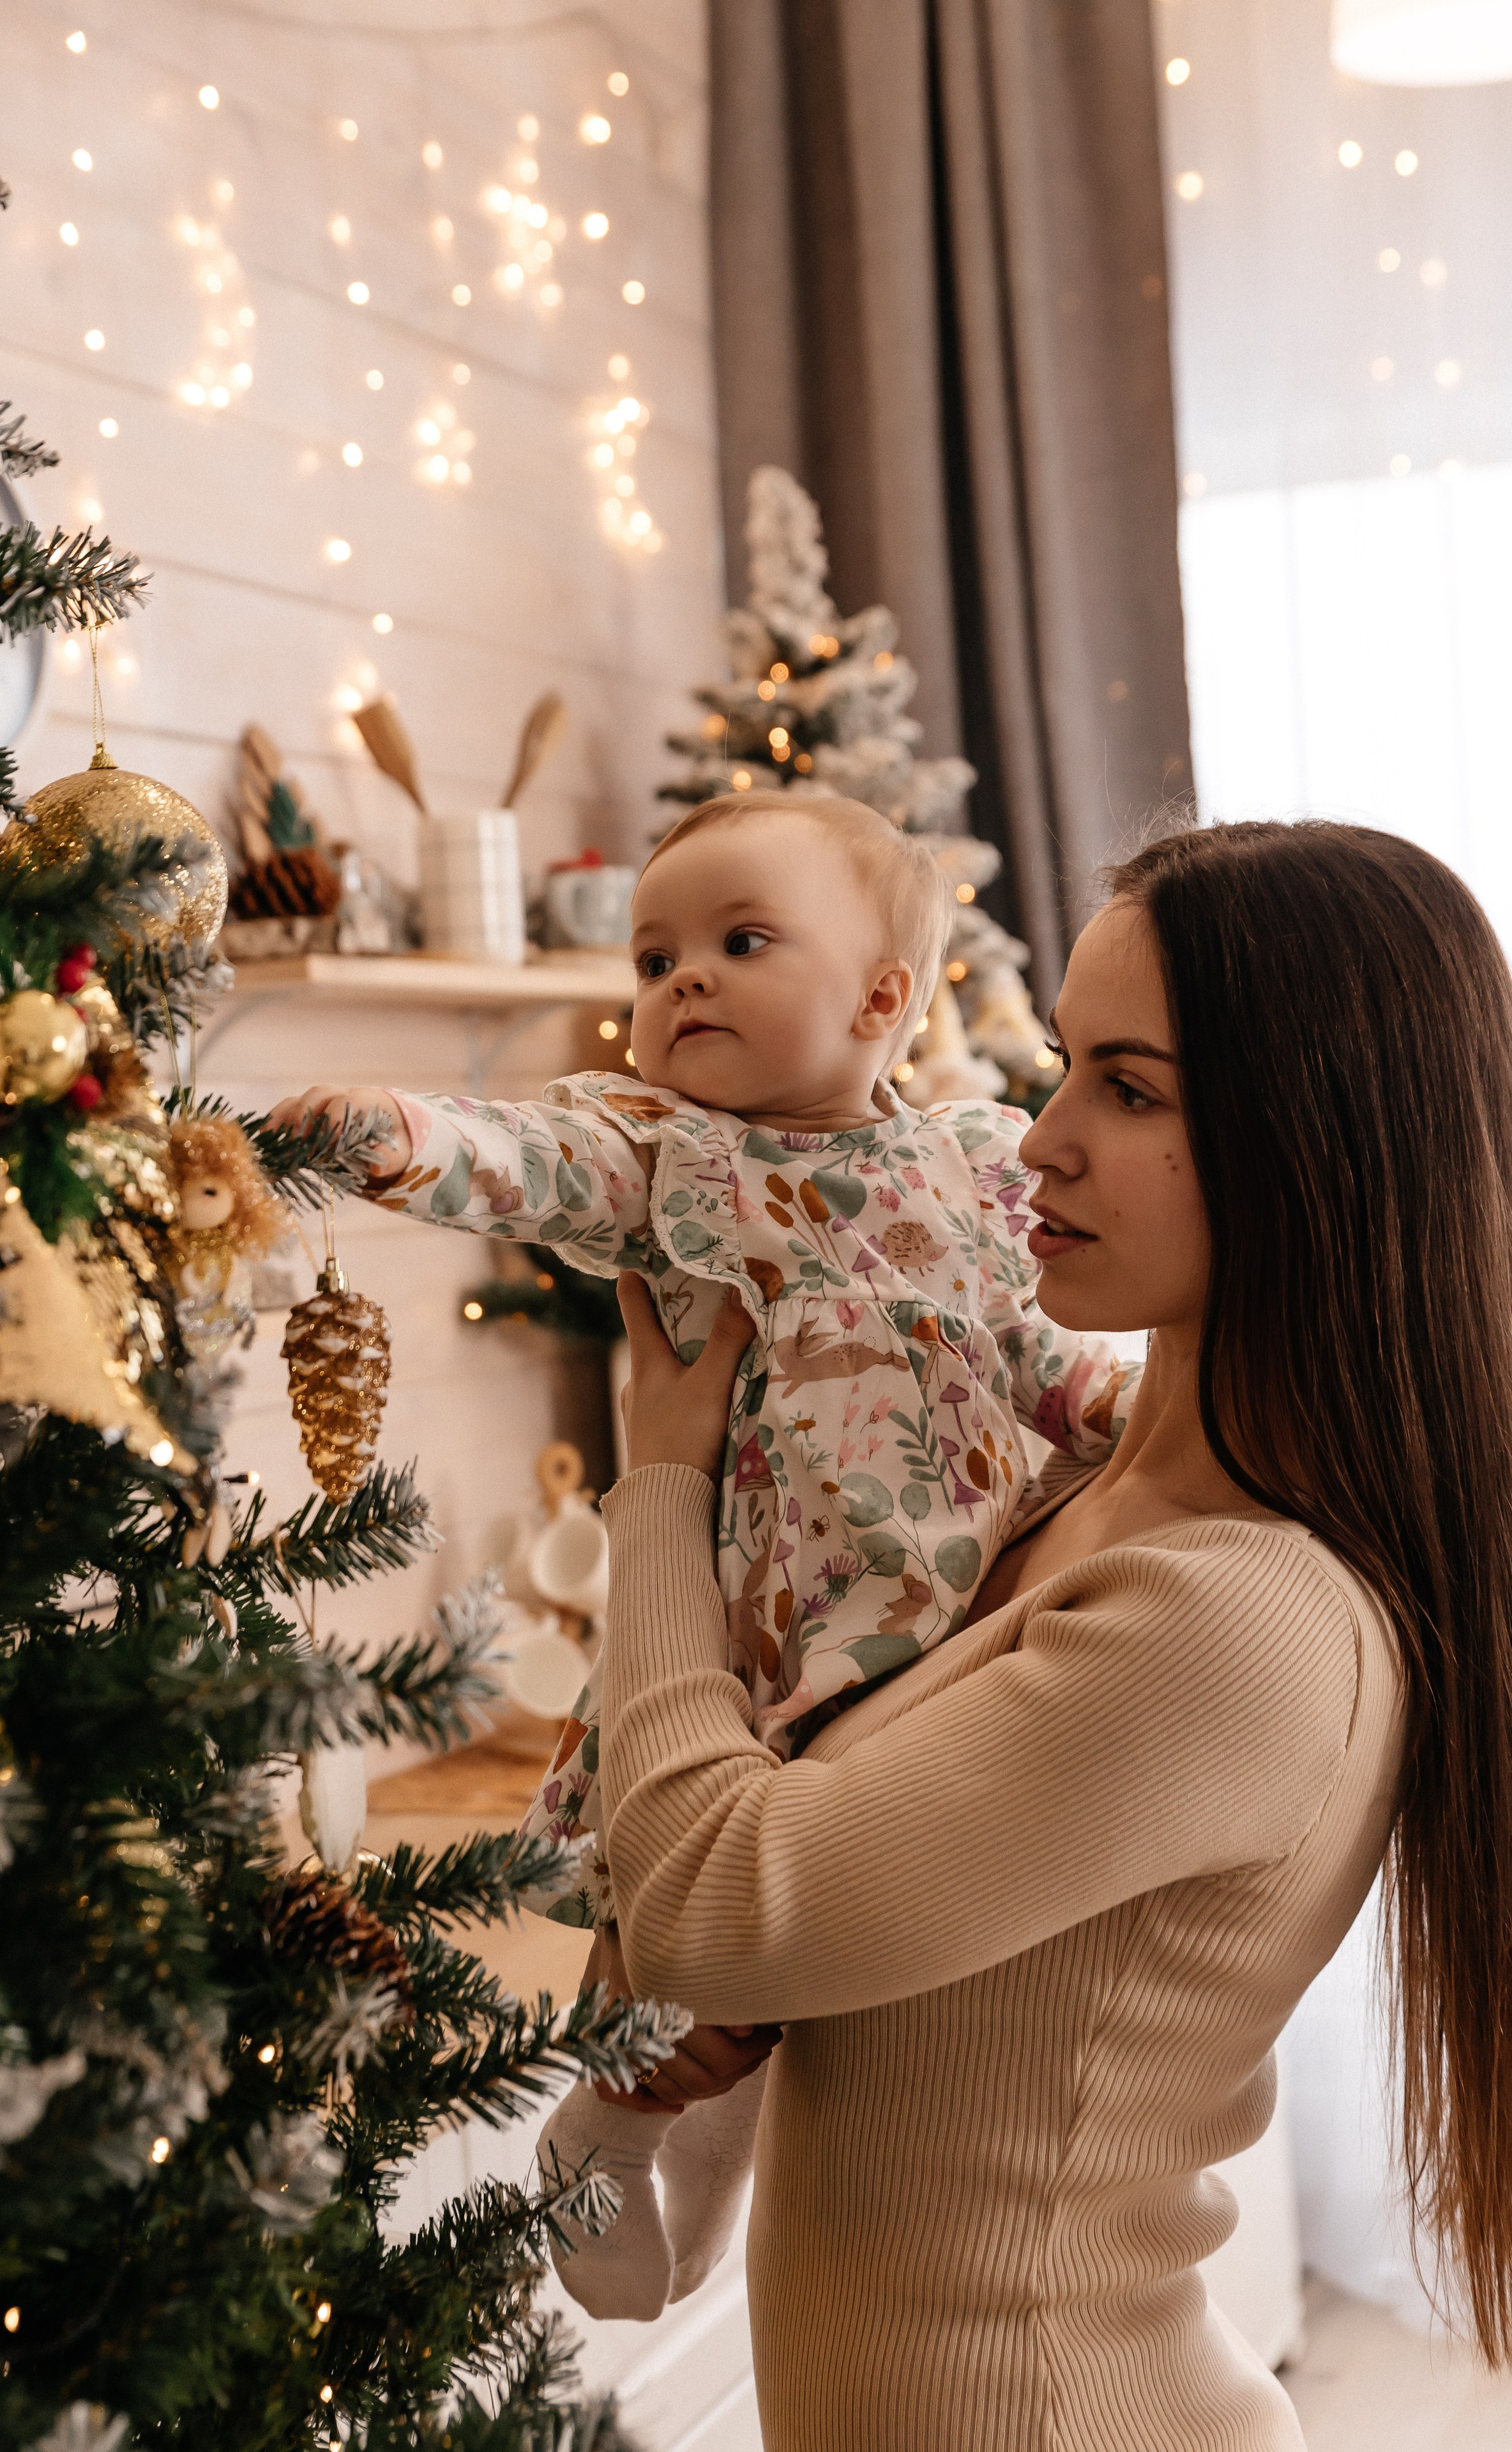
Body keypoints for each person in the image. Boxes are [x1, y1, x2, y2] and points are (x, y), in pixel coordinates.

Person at [582, 819, 1512, 2449]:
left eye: (1128, 1090)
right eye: (1062, 1065)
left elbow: (710, 1913)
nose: (1033, 1143)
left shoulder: (1237, 1626)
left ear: (1316, 1144)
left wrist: (659, 1478)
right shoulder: (1073, 1479)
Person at [269, 790, 1137, 2315]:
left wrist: (1127, 1417)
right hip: (751, 1640)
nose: (678, 982)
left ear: (881, 998)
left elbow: (1036, 1355)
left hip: (943, 1625)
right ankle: (599, 2128)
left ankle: (702, 2185)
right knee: (674, 1944)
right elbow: (526, 1156)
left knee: (785, 1989)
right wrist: (390, 1136)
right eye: (653, 956)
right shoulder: (670, 1159)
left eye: (739, 943)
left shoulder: (985, 1158)